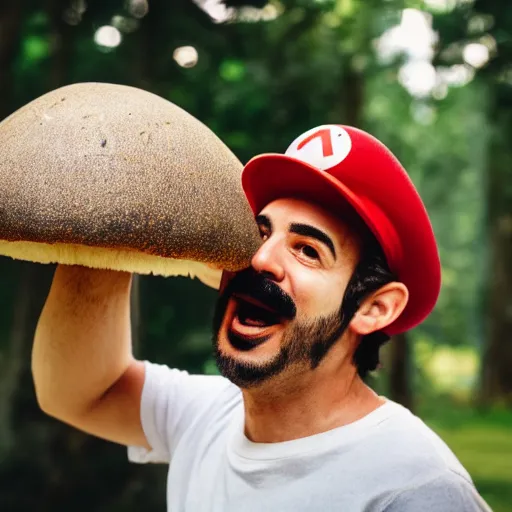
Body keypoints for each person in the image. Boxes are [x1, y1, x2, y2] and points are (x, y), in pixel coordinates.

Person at [32, 125, 491, 511]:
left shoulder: (418, 489)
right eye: (259, 232)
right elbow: (83, 392)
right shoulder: (207, 415)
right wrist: (105, 230)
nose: (260, 258)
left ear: (373, 308)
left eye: (307, 251)